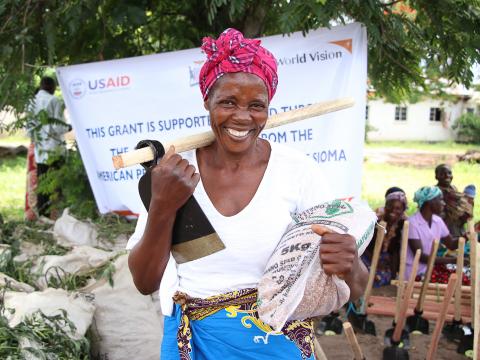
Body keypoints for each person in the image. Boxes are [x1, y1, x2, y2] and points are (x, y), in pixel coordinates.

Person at [127, 28, 368, 360]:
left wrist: (350, 263)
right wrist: (163, 206)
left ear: (269, 108)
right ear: (206, 102)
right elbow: (144, 281)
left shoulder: (299, 172)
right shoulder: (172, 174)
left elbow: (355, 287)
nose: (242, 117)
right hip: (195, 345)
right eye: (227, 102)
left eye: (256, 105)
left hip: (276, 347)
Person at [27, 76, 69, 217]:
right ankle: (60, 215)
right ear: (51, 87)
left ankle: (43, 215)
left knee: (43, 182)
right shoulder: (54, 100)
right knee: (59, 182)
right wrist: (68, 127)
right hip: (55, 148)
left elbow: (29, 128)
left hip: (40, 149)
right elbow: (58, 126)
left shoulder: (31, 102)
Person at [405, 186, 458, 279]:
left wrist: (467, 237)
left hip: (428, 271)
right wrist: (452, 260)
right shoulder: (412, 223)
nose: (444, 203)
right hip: (413, 274)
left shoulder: (437, 221)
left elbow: (451, 244)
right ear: (430, 202)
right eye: (441, 200)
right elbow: (421, 256)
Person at [362, 187, 407, 286]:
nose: (393, 211)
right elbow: (364, 246)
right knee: (367, 276)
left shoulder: (402, 225)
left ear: (403, 210)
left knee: (386, 278)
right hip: (367, 256)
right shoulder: (376, 221)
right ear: (386, 206)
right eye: (390, 206)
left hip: (384, 259)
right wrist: (375, 263)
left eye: (398, 208)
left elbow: (395, 252)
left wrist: (394, 274)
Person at [435, 164, 473, 239]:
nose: (447, 176)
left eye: (449, 173)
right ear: (436, 177)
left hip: (458, 230)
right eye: (442, 174)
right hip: (445, 234)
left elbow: (461, 210)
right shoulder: (435, 192)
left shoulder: (453, 188)